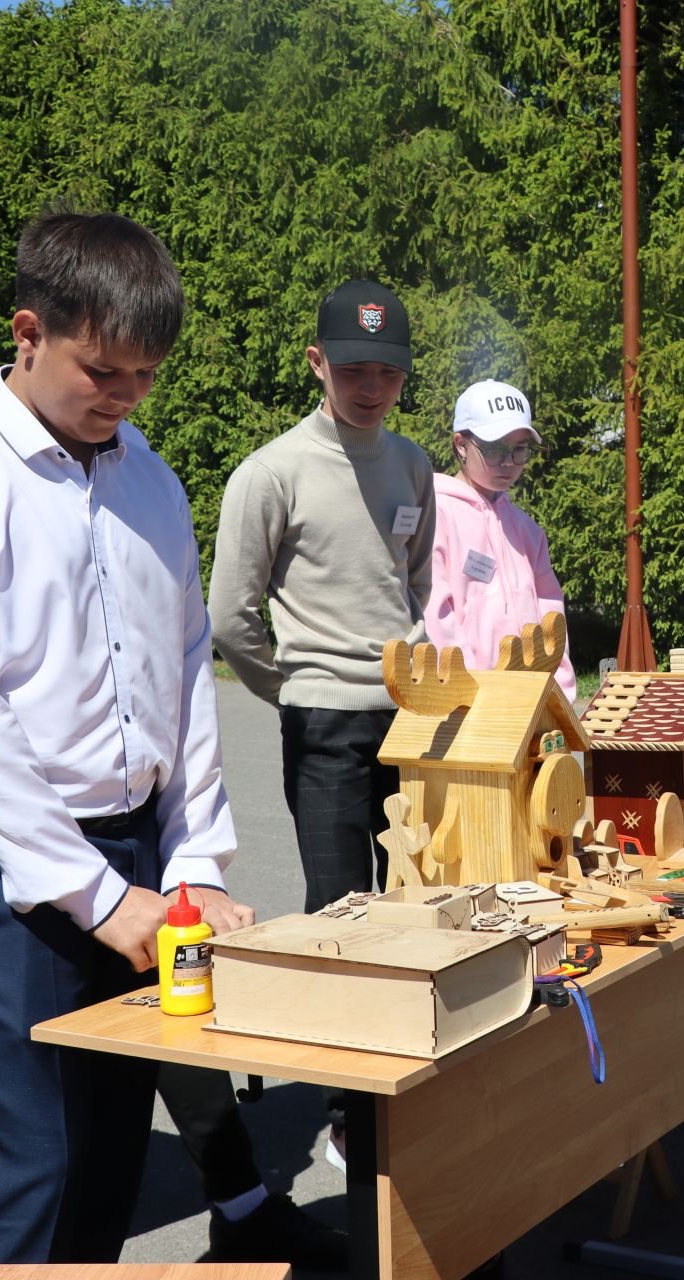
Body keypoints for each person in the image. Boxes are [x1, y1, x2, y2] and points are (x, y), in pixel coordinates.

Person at [0, 212, 257, 1261]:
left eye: (145, 375)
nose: (123, 396)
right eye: (102, 369)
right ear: (29, 331)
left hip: (134, 854)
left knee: (107, 1163)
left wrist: (196, 858)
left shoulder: (154, 485)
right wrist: (97, 895)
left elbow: (183, 683)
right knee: (24, 1166)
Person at [209, 279, 434, 912]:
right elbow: (229, 614)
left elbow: (413, 580)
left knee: (419, 895)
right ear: (316, 363)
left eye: (388, 373)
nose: (370, 388)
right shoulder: (269, 474)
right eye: (353, 370)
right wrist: (293, 689)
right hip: (323, 722)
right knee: (340, 908)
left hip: (408, 716)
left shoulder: (414, 466)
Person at [424, 378, 576, 698]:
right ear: (460, 445)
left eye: (519, 449)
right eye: (494, 449)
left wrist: (558, 693)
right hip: (464, 704)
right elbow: (434, 613)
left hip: (529, 702)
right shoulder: (434, 514)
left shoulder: (528, 532)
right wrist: (464, 693)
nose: (508, 462)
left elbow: (551, 617)